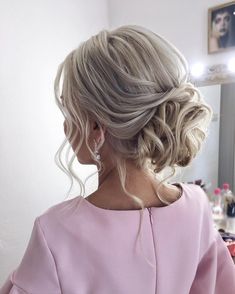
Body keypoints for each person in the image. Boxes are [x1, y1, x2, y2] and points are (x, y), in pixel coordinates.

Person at [1, 25, 235, 294]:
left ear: (97, 128)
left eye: (69, 111)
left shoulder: (55, 232)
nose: (66, 126)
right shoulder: (196, 207)